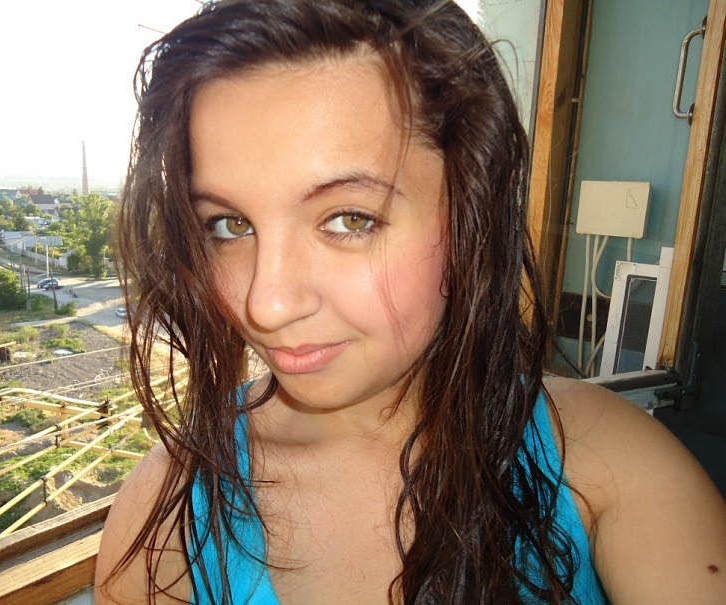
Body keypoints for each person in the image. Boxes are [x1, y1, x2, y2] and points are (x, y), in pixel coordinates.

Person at [95, 1, 726, 603]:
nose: (269, 305)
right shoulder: (168, 508)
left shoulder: (607, 459)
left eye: (349, 218)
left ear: (471, 215)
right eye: (230, 225)